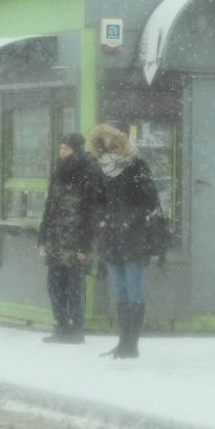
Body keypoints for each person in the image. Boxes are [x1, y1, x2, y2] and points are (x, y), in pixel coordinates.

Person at [89, 123, 159, 360]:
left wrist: (129, 218)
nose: (107, 144)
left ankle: (132, 343)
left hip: (133, 236)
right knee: (120, 290)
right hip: (112, 237)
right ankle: (123, 340)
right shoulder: (102, 168)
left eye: (111, 139)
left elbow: (150, 199)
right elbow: (97, 199)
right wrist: (101, 218)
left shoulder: (137, 165)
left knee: (133, 290)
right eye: (102, 140)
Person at [37, 132, 104, 344]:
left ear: (76, 149)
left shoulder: (89, 171)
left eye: (66, 148)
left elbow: (91, 211)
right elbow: (50, 206)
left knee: (74, 287)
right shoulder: (58, 170)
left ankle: (76, 329)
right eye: (61, 148)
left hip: (76, 240)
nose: (62, 152)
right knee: (54, 285)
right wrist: (43, 235)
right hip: (57, 238)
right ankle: (61, 326)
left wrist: (85, 244)